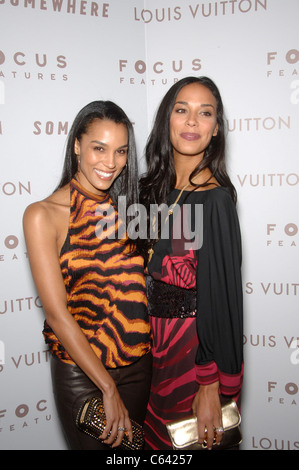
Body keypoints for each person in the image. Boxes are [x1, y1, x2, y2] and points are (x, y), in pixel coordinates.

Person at [23, 101, 152, 450]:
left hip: (139, 367)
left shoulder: (130, 210)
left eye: (121, 151)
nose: (110, 163)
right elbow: (56, 314)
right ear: (77, 145)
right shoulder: (43, 215)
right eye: (99, 148)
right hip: (83, 376)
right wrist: (107, 387)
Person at [137, 76, 244, 450]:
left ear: (215, 130)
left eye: (205, 113)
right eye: (182, 110)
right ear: (167, 120)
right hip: (148, 351)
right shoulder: (151, 191)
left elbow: (221, 298)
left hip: (190, 357)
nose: (192, 121)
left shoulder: (214, 201)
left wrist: (211, 383)